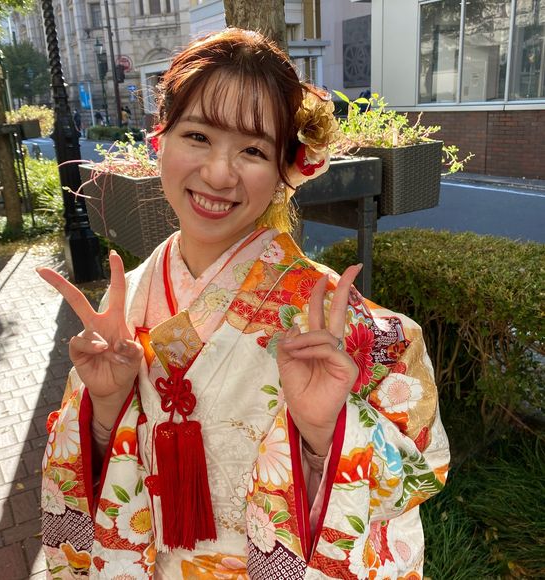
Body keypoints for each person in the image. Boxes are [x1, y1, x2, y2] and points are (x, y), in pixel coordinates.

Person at [37, 28, 449, 579]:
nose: (218, 173)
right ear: (160, 140)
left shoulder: (332, 321)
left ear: (284, 170)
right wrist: (105, 407)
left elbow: (422, 466)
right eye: (197, 136)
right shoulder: (125, 304)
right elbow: (82, 475)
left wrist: (325, 432)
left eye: (253, 150)